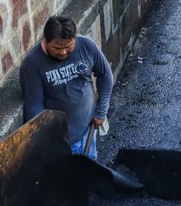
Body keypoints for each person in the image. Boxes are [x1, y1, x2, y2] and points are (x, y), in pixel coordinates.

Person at [20, 15, 114, 161]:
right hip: (60, 143)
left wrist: (101, 112)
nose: (63, 52)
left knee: (91, 174)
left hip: (88, 130)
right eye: (57, 48)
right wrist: (44, 142)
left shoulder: (87, 46)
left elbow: (106, 76)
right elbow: (34, 108)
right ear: (46, 41)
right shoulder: (33, 64)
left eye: (68, 47)